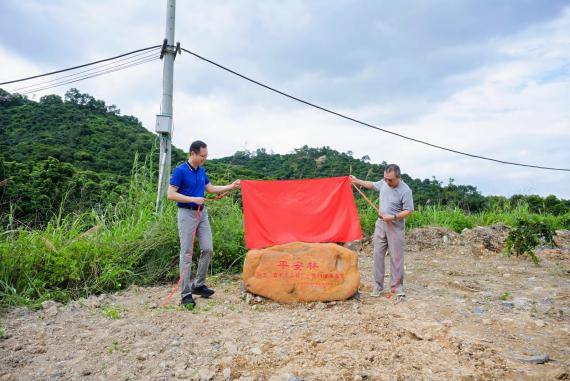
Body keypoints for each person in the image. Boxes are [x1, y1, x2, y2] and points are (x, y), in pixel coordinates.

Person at [167, 140, 240, 308]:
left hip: (202, 213)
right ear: (192, 154)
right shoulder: (180, 171)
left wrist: (231, 186)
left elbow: (211, 188)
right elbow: (170, 194)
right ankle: (185, 294)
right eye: (202, 156)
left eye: (206, 156)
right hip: (186, 214)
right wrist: (193, 199)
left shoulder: (201, 171)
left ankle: (198, 285)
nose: (204, 159)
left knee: (207, 248)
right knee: (186, 253)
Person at [350, 164, 414, 297]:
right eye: (385, 178)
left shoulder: (405, 190)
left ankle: (396, 287)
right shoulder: (384, 183)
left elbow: (409, 210)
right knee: (378, 255)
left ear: (398, 177)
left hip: (395, 226)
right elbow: (372, 185)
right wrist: (357, 181)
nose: (387, 181)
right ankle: (378, 287)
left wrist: (394, 216)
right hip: (380, 224)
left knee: (396, 257)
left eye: (390, 179)